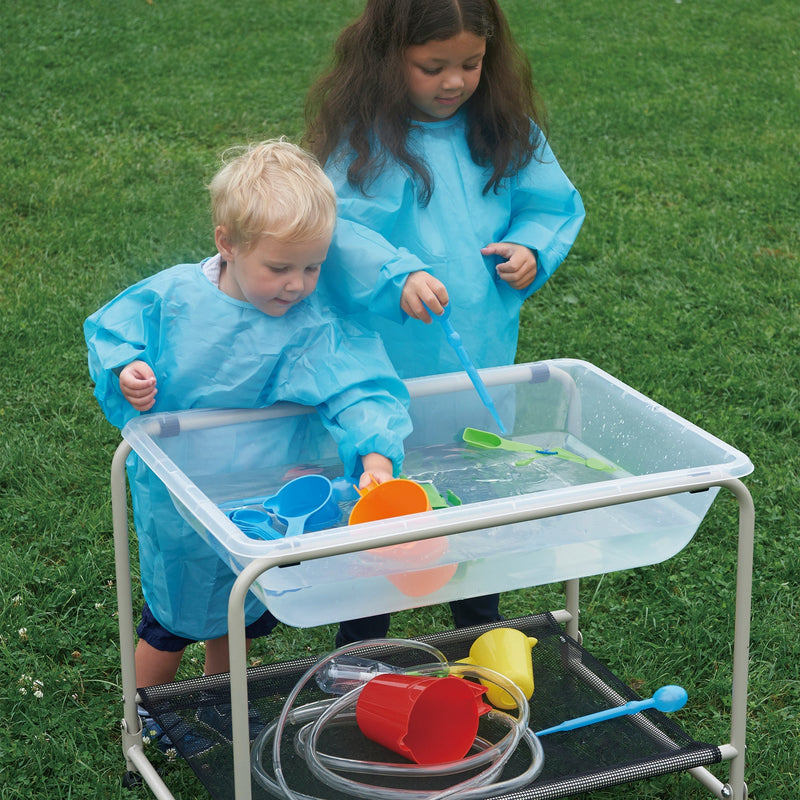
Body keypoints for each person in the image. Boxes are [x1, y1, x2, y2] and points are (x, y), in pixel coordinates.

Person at [84, 140, 412, 718]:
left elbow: (355, 384)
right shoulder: (175, 298)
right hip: (179, 497)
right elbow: (117, 331)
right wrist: (127, 370)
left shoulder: (309, 324)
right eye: (279, 268)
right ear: (226, 245)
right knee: (171, 620)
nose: (297, 285)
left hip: (261, 500)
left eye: (313, 267)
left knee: (236, 609)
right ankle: (146, 717)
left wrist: (377, 454)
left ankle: (222, 703)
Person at [303, 0, 585, 642]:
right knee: (381, 494)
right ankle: (362, 645)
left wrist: (531, 247)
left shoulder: (503, 130)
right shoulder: (364, 140)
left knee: (474, 490)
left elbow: (548, 203)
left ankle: (479, 633)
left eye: (471, 64)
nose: (454, 81)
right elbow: (335, 228)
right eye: (432, 67)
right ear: (386, 59)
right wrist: (394, 273)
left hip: (478, 355)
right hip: (388, 364)